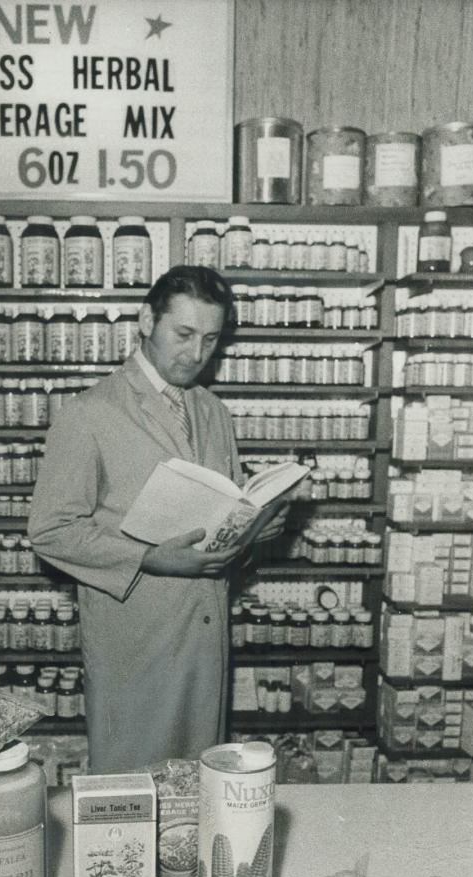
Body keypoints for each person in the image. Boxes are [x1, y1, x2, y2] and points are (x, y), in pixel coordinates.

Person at [27, 265, 285, 773]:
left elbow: (222, 511)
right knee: (130, 795)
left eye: (211, 339)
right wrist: (149, 558)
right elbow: (51, 530)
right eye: (183, 334)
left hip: (205, 634)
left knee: (197, 787)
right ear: (146, 320)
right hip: (135, 642)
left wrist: (254, 527)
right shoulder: (90, 412)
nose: (195, 353)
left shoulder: (213, 411)